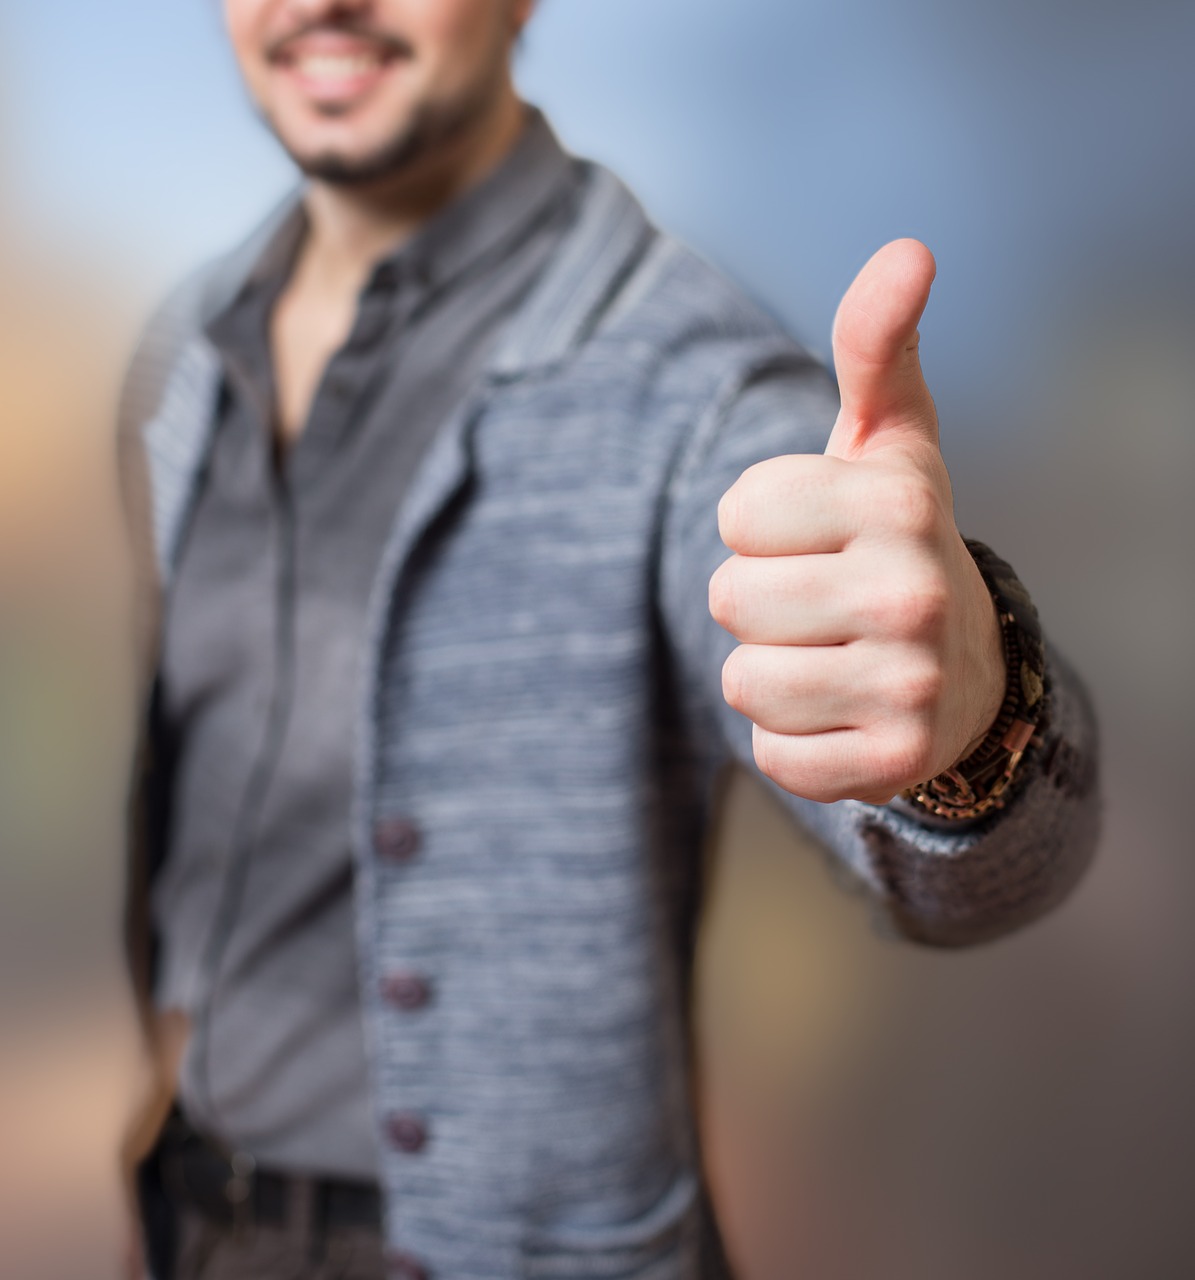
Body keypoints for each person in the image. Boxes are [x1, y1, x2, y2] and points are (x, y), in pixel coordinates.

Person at [116, 1, 1100, 1277]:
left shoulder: (692, 380)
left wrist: (972, 717)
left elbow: (1002, 849)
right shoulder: (194, 344)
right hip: (197, 1212)